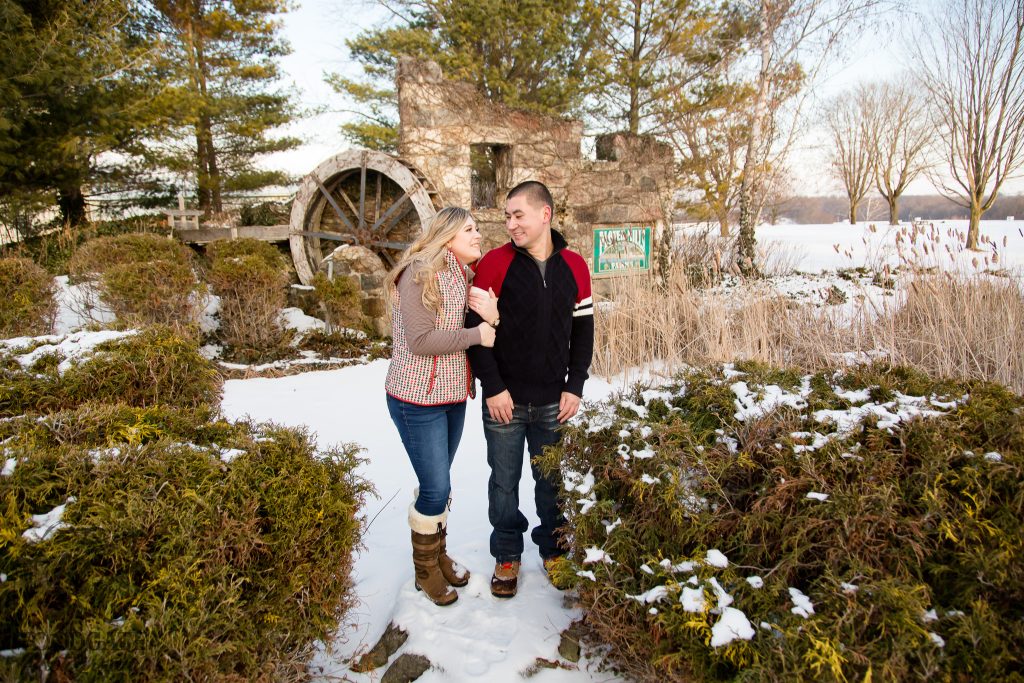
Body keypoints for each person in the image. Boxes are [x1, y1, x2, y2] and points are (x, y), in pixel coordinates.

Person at [465, 181, 594, 598]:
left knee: (551, 481)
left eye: (518, 215)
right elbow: (475, 332)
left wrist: (575, 385)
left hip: (554, 401)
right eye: (507, 216)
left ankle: (554, 550)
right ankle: (506, 553)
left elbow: (584, 331)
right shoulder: (495, 263)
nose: (511, 224)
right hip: (505, 400)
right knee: (504, 483)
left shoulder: (575, 266)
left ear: (545, 214)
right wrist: (493, 388)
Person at [385, 206, 499, 606]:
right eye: (469, 229)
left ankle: (437, 555)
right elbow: (420, 341)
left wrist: (492, 317)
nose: (478, 235)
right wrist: (477, 335)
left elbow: (474, 323)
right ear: (447, 235)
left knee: (440, 484)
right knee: (436, 487)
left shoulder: (461, 274)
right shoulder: (420, 273)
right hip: (416, 400)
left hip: (450, 397)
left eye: (477, 228)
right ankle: (425, 570)